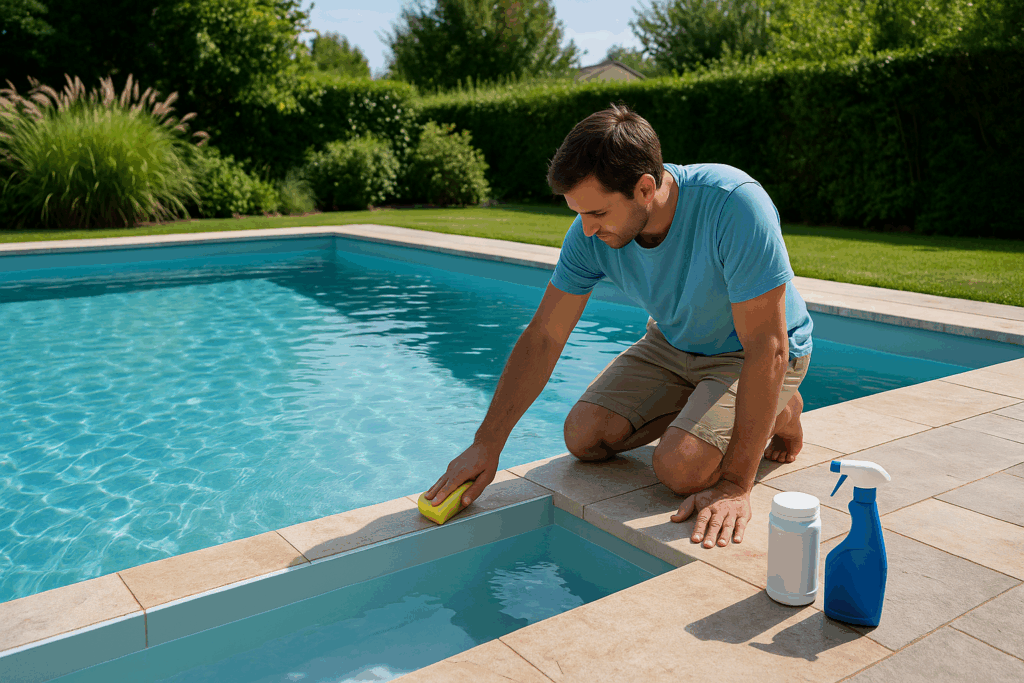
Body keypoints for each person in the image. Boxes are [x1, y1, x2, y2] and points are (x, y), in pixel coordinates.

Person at [424, 103, 813, 549]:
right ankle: (711, 408)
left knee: (681, 468)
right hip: (672, 342)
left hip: (751, 354)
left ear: (645, 189)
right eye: (579, 214)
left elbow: (768, 346)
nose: (586, 230)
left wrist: (736, 485)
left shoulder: (733, 205)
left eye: (597, 214)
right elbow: (545, 335)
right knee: (583, 437)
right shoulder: (589, 233)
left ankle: (783, 409)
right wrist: (487, 443)